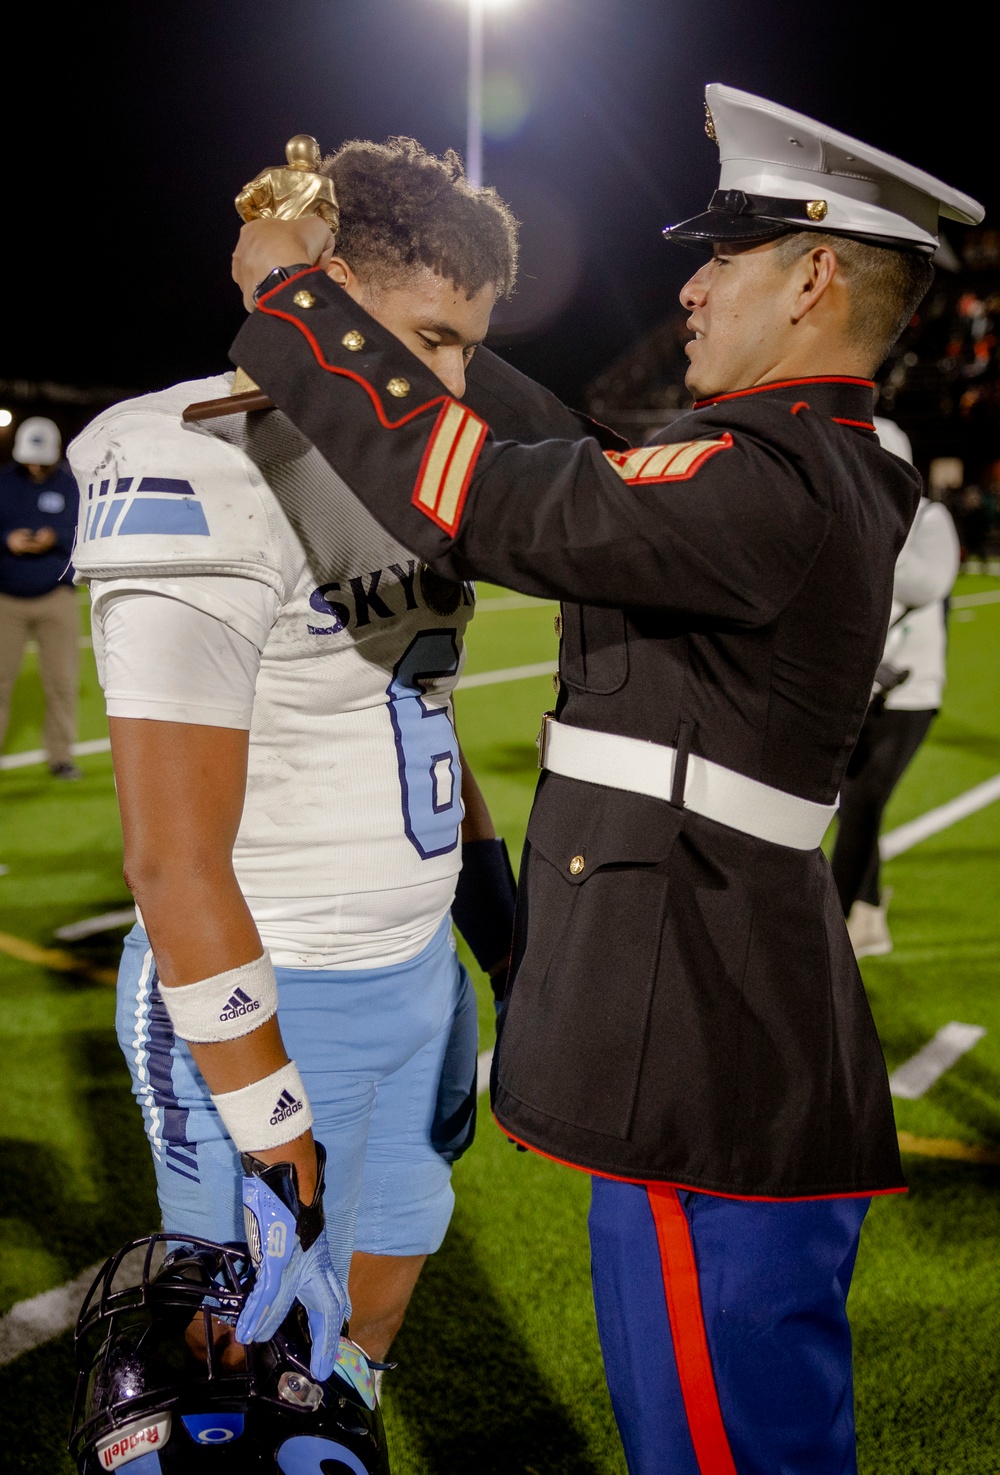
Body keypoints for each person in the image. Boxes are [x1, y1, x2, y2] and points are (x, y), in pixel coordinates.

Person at [227, 83, 982, 1473]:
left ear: (815, 274)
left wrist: (302, 306)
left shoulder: (781, 477)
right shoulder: (794, 459)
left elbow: (500, 495)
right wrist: (409, 318)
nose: (689, 289)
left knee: (719, 1448)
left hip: (706, 1058)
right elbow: (583, 453)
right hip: (707, 1034)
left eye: (723, 258)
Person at [67, 137, 541, 1391]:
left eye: (467, 346)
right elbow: (169, 854)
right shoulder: (194, 454)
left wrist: (498, 934)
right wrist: (275, 1127)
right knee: (238, 1367)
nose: (455, 376)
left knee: (359, 1338)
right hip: (275, 988)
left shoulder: (406, 471)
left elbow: (417, 703)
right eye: (433, 337)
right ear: (324, 296)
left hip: (414, 974)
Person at [833, 417, 961, 956]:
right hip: (861, 690)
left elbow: (928, 580)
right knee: (850, 804)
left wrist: (867, 544)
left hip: (910, 695)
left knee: (863, 801)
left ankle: (833, 922)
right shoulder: (853, 521)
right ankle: (868, 919)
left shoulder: (929, 519)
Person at [0, 415, 81, 777]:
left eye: (41, 459)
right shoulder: (2, 482)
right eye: (28, 458)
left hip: (56, 598)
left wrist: (56, 537)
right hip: (6, 600)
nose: (34, 465)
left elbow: (84, 531)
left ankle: (60, 756)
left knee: (62, 682)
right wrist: (6, 540)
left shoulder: (70, 485)